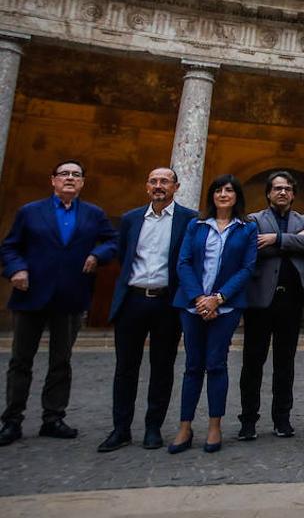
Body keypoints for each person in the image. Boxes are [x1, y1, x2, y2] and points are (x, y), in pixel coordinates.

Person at [0, 159, 118, 446]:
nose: (69, 178)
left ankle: (53, 417)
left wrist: (98, 255)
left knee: (61, 361)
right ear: (53, 180)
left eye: (76, 175)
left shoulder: (93, 214)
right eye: (64, 174)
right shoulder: (30, 212)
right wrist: (16, 269)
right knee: (20, 361)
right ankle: (12, 419)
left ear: (82, 183)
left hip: (70, 295)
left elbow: (113, 241)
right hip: (31, 293)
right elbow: (10, 246)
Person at [99, 167, 198, 453]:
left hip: (167, 302)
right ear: (146, 187)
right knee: (125, 368)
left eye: (164, 181)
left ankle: (153, 427)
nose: (159, 186)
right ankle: (121, 429)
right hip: (133, 299)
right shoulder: (130, 219)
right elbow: (122, 254)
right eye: (154, 181)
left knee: (162, 366)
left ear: (176, 187)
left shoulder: (189, 219)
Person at [168, 175, 258, 454]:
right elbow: (183, 263)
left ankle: (214, 425)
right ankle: (185, 426)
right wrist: (199, 298)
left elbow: (247, 268)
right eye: (218, 190)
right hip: (192, 304)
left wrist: (217, 299)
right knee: (193, 365)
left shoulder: (247, 229)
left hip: (226, 306)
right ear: (211, 196)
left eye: (229, 190)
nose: (223, 194)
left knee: (217, 364)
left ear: (237, 196)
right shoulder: (196, 225)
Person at [238, 170, 304, 440]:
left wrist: (276, 239)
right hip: (260, 300)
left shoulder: (303, 219)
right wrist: (292, 242)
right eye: (276, 189)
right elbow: (252, 248)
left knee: (285, 363)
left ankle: (282, 419)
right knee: (252, 362)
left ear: (293, 194)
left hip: (291, 300)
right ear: (269, 193)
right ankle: (248, 420)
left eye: (287, 189)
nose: (282, 192)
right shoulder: (253, 219)